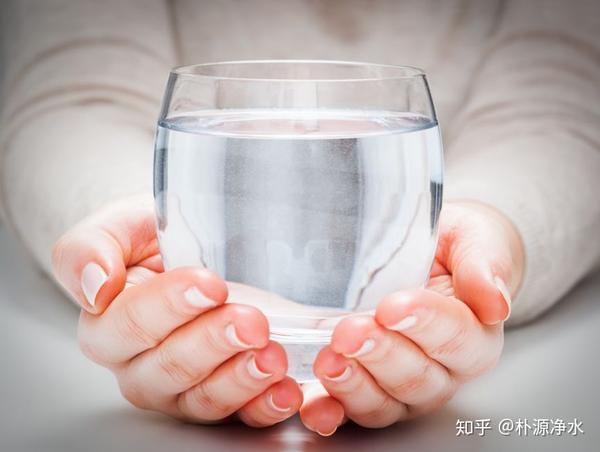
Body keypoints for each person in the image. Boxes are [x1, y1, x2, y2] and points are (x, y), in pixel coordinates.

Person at [1, 0, 599, 437]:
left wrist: (498, 230)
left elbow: (559, 96)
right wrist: (142, 235)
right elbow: (76, 93)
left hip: (405, 278)